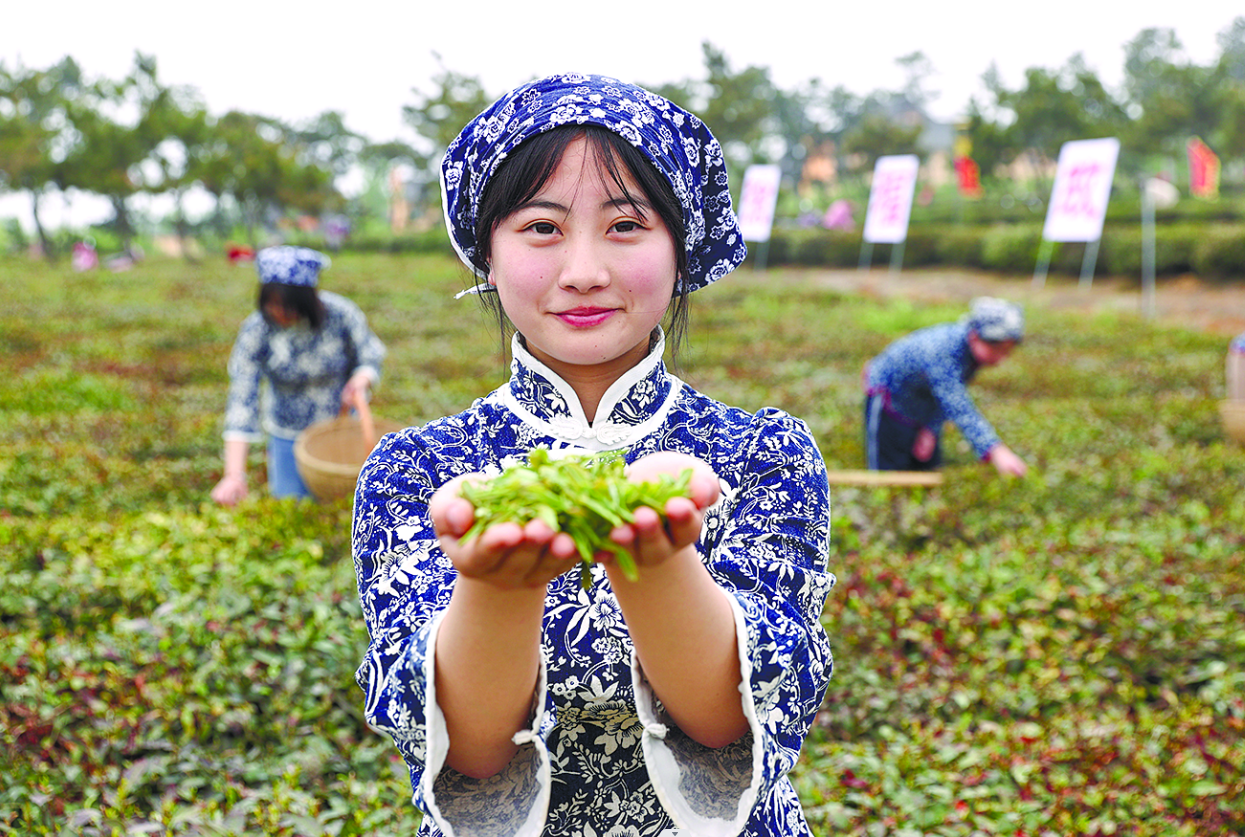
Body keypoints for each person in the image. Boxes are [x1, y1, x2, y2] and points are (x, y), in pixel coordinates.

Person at [351, 74, 835, 837]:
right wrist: (494, 587)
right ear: (487, 254)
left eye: (625, 224)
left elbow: (725, 723)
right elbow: (471, 753)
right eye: (541, 227)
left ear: (681, 245)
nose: (583, 269)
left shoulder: (763, 453)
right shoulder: (416, 467)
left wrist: (659, 560)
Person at [211, 245, 386, 505]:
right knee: (292, 507)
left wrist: (361, 379)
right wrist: (234, 475)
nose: (279, 313)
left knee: (346, 508)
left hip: (339, 430)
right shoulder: (257, 329)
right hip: (286, 437)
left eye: (289, 306)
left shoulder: (340, 314)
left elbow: (370, 355)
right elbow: (241, 400)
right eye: (272, 304)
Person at [863, 296, 1028, 477]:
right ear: (974, 336)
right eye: (996, 349)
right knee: (889, 469)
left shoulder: (972, 353)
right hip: (890, 396)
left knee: (926, 463)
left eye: (1007, 351)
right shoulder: (942, 352)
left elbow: (944, 394)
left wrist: (930, 428)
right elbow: (959, 405)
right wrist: (996, 451)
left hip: (925, 397)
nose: (1001, 359)